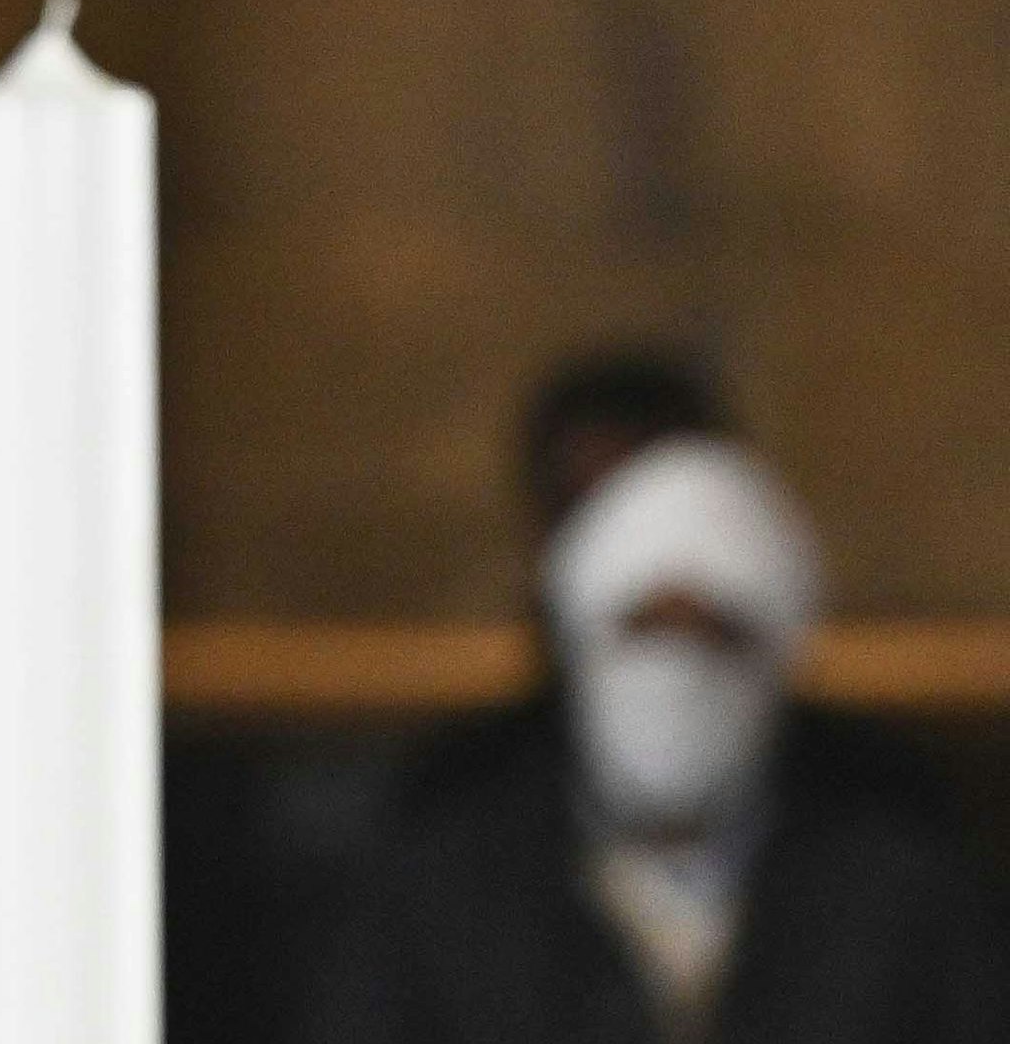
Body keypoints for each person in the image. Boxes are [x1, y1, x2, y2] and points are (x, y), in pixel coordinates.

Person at [302, 353, 1010, 1043]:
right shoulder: (445, 863)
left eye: (717, 635)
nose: (677, 674)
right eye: (641, 631)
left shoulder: (898, 867)